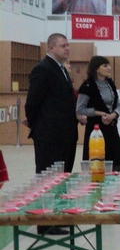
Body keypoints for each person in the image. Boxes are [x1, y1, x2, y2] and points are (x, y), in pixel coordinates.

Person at [25, 33, 79, 236]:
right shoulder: (43, 69)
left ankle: (58, 216)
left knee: (62, 177)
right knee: (48, 178)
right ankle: (45, 223)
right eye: (63, 46)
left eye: (68, 45)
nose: (67, 48)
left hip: (65, 134)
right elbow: (32, 103)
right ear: (51, 48)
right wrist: (39, 126)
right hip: (49, 135)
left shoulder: (62, 69)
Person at [77, 56, 120, 172]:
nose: (109, 68)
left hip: (111, 129)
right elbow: (80, 109)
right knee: (97, 164)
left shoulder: (110, 84)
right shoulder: (87, 86)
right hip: (95, 132)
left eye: (109, 65)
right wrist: (98, 113)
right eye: (105, 66)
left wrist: (113, 115)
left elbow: (118, 104)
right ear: (97, 69)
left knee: (115, 165)